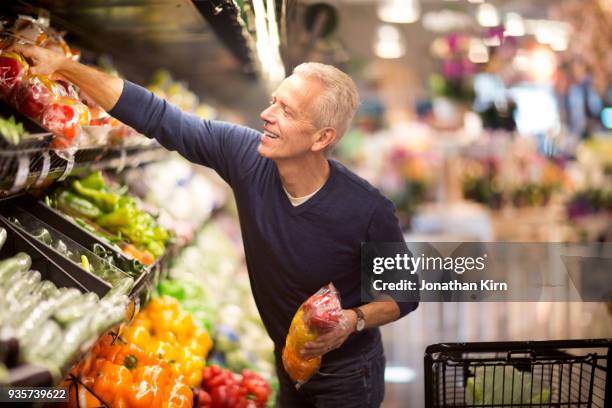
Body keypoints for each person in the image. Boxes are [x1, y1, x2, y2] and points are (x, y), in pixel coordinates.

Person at [12, 43, 418, 407]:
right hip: (287, 361)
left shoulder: (366, 209)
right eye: (274, 101)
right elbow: (158, 116)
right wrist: (64, 66)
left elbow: (405, 294)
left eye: (285, 111)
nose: (266, 114)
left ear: (320, 138)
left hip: (347, 378)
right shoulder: (247, 157)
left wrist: (353, 320)